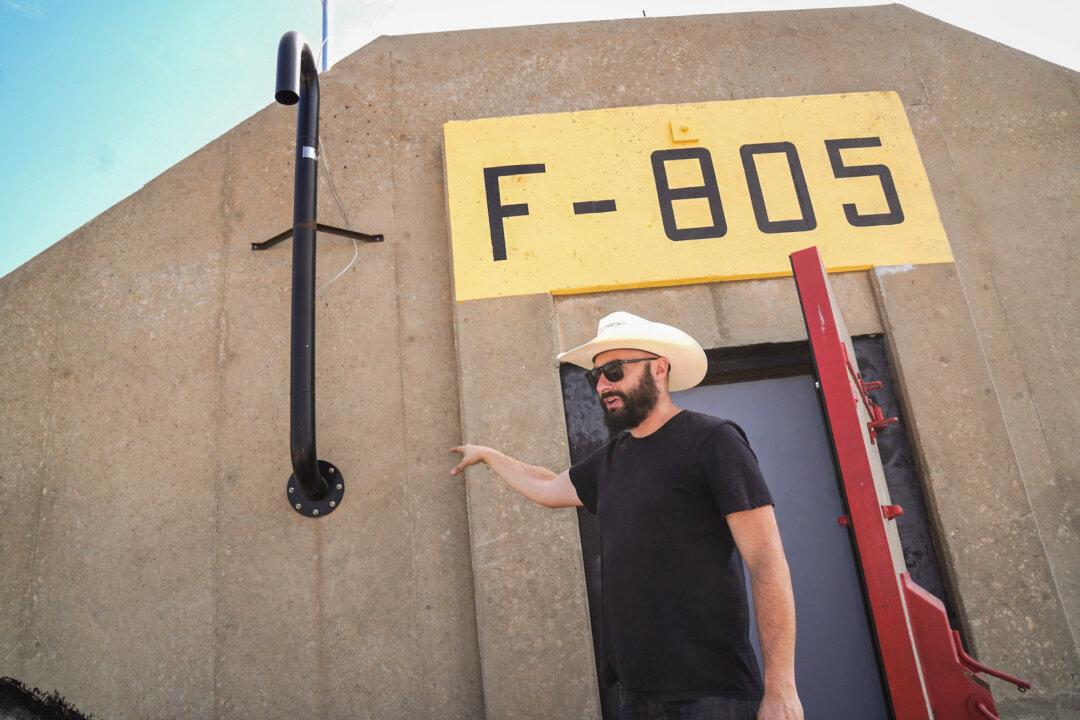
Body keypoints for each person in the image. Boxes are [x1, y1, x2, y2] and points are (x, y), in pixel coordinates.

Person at [450, 311, 803, 720]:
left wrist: (781, 686)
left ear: (658, 368)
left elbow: (766, 559)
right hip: (635, 697)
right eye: (595, 376)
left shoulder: (714, 441)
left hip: (710, 696)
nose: (601, 385)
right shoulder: (612, 460)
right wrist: (491, 457)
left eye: (614, 371)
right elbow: (548, 486)